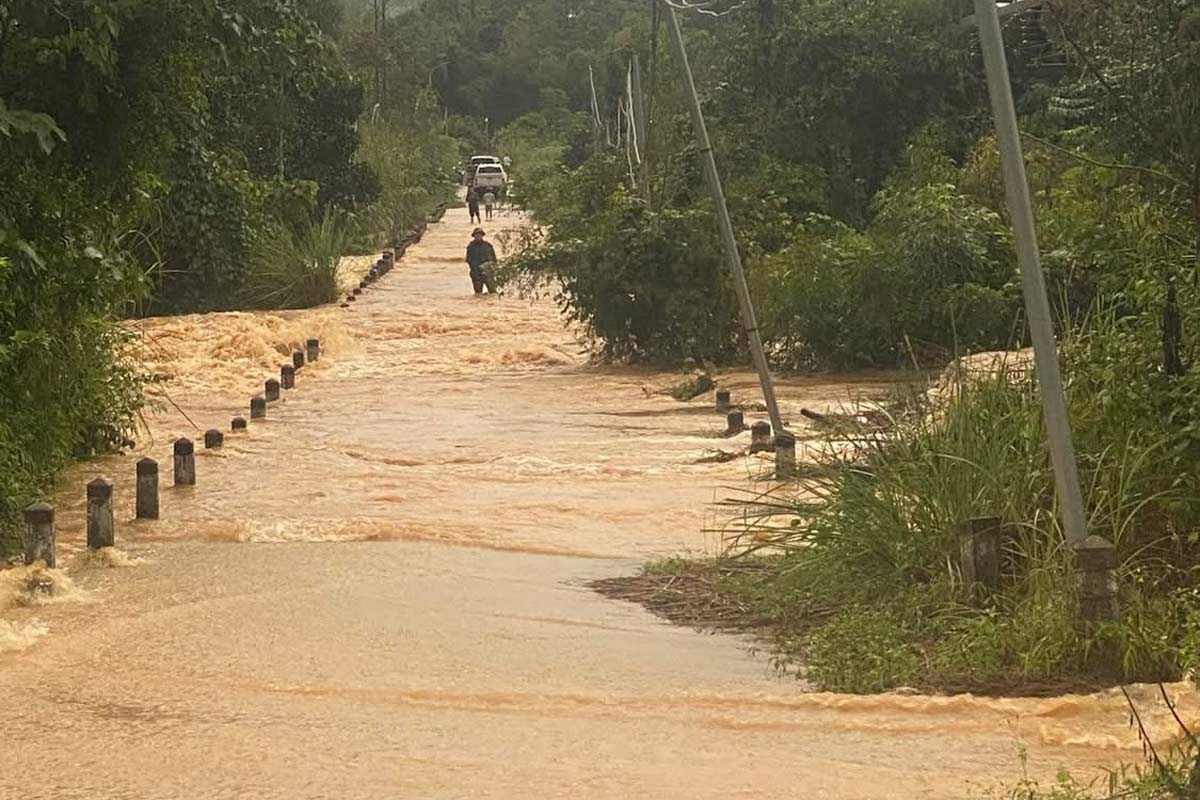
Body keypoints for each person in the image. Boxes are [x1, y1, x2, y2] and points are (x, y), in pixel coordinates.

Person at [465, 227, 499, 295]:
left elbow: (494, 259)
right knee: (478, 294)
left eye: (480, 234)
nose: (478, 236)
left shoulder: (488, 245)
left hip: (488, 273)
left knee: (493, 293)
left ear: (482, 235)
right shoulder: (471, 246)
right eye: (477, 234)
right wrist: (476, 268)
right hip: (476, 273)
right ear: (474, 236)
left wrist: (492, 269)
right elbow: (469, 260)